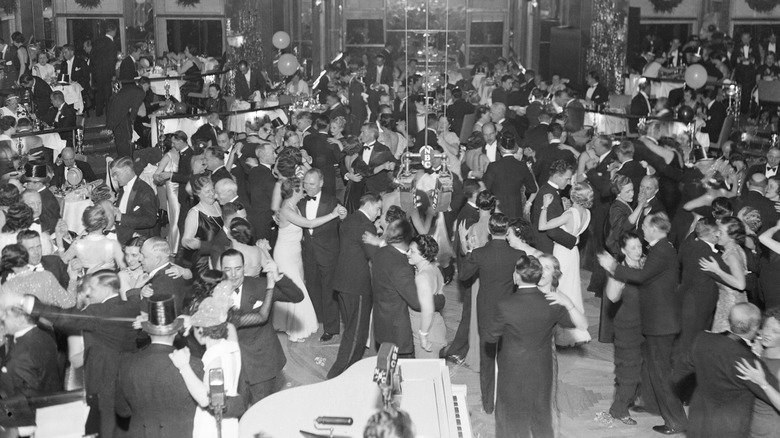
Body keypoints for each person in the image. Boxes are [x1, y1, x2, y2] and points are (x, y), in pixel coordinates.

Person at [4, 270, 140, 438]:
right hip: (126, 377)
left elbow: (65, 318)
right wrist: (135, 290)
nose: (89, 293)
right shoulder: (130, 306)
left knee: (104, 428)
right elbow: (136, 301)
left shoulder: (99, 311)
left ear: (106, 288)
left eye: (93, 288)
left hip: (103, 380)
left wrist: (28, 303)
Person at [599, 212, 688, 435]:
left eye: (646, 226)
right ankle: (649, 408)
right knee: (647, 370)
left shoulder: (659, 251)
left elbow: (641, 277)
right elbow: (615, 295)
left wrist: (612, 266)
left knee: (660, 373)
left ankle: (675, 421)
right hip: (645, 325)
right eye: (633, 247)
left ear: (655, 229)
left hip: (659, 325)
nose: (644, 230)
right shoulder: (661, 250)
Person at [484, 255, 586, 438]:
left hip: (512, 371)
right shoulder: (552, 303)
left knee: (510, 417)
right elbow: (582, 325)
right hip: (542, 369)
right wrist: (569, 304)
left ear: (516, 276)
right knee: (541, 417)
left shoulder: (505, 305)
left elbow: (490, 338)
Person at [674, 303, 778, 438]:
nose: (765, 333)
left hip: (698, 422)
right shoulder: (751, 362)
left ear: (729, 320)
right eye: (766, 327)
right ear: (754, 327)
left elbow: (679, 371)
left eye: (775, 331)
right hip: (729, 429)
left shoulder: (703, 339)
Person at [460, 213, 525, 414]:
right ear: (507, 232)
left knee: (487, 357)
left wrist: (469, 249)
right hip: (510, 310)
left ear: (489, 230)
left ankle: (488, 404)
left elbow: (463, 275)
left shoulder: (479, 253)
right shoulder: (518, 255)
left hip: (486, 309)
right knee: (508, 356)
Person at [219, 249, 303, 404]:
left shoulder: (259, 285)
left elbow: (297, 296)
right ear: (220, 269)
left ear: (244, 267)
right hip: (231, 365)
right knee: (237, 412)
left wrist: (278, 278)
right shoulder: (213, 292)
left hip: (262, 363)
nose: (234, 275)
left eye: (238, 268)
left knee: (262, 411)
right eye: (227, 269)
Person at [115, 294, 201, 438]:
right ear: (175, 331)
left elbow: (123, 410)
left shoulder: (125, 363)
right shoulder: (193, 364)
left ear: (148, 331)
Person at [275, 176, 343, 342]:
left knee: (297, 290)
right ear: (295, 191)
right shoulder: (287, 210)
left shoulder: (294, 205)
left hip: (297, 254)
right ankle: (295, 331)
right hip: (285, 256)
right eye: (302, 187)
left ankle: (291, 326)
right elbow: (309, 224)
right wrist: (333, 214)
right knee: (297, 292)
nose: (304, 190)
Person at [170, 290, 242, 438]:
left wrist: (184, 367)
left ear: (201, 330)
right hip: (231, 422)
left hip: (213, 427)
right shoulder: (231, 344)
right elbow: (228, 325)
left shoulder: (214, 358)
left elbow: (208, 399)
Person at [328, 193, 383, 378]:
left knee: (351, 329)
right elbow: (374, 255)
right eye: (377, 209)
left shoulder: (349, 219)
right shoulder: (366, 225)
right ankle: (338, 375)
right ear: (368, 205)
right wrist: (383, 242)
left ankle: (347, 372)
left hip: (343, 282)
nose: (378, 214)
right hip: (357, 286)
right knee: (357, 334)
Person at [537, 182, 593, 346]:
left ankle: (562, 333)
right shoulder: (587, 213)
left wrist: (544, 207)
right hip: (573, 253)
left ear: (573, 195)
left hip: (561, 252)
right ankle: (575, 330)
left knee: (560, 288)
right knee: (572, 287)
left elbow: (542, 226)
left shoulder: (569, 214)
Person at [298, 169, 346, 341]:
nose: (307, 187)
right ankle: (316, 321)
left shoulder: (332, 201)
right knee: (312, 288)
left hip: (329, 253)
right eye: (305, 183)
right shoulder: (300, 202)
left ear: (321, 183)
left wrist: (343, 216)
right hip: (309, 253)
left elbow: (343, 223)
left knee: (329, 292)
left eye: (312, 184)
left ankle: (331, 328)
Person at [604, 231, 645, 425]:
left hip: (646, 327)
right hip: (627, 329)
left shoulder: (646, 265)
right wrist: (617, 276)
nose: (638, 251)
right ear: (623, 250)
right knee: (629, 372)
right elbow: (612, 297)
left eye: (639, 246)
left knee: (640, 369)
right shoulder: (620, 271)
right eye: (632, 248)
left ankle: (631, 399)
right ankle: (618, 410)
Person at [702, 216, 748, 333]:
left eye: (721, 232)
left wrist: (717, 270)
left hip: (730, 306)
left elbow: (740, 284)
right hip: (732, 303)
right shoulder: (735, 248)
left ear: (731, 237)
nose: (717, 234)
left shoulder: (732, 255)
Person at [406, 234, 447, 359]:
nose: (408, 253)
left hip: (427, 334)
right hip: (437, 328)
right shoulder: (435, 269)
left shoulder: (422, 277)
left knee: (425, 375)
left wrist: (423, 336)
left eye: (412, 251)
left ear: (423, 255)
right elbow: (440, 296)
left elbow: (428, 310)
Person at [483, 133, 537, 219]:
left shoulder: (493, 167)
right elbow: (533, 188)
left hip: (498, 212)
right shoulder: (522, 166)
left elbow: (485, 189)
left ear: (500, 149)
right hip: (516, 211)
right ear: (515, 149)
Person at [61, 205, 126, 274]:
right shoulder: (112, 244)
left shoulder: (78, 244)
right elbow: (124, 269)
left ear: (85, 224)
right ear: (104, 224)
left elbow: (61, 263)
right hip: (108, 282)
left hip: (85, 282)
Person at [531, 159, 577, 254]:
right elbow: (552, 231)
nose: (569, 182)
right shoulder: (550, 194)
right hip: (547, 245)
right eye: (567, 179)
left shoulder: (550, 189)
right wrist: (573, 240)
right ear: (556, 177)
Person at [180, 175, 223, 277]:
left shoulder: (217, 204)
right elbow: (184, 240)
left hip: (220, 257)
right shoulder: (194, 213)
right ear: (198, 194)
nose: (212, 194)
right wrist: (195, 243)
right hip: (205, 264)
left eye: (213, 189)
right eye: (207, 192)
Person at [136, 237, 192, 312]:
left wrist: (135, 290)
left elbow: (139, 312)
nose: (139, 259)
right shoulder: (168, 272)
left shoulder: (164, 279)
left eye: (144, 256)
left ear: (157, 259)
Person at [110, 157, 159, 243]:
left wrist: (121, 218)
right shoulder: (123, 188)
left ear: (128, 170)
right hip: (122, 235)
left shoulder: (145, 191)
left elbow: (150, 220)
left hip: (137, 239)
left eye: (116, 174)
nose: (114, 178)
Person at [154, 131, 187, 252]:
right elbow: (156, 174)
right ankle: (174, 248)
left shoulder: (182, 155)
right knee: (175, 217)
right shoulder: (167, 157)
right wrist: (163, 178)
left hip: (182, 189)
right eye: (174, 142)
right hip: (172, 190)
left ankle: (178, 243)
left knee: (182, 217)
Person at [247, 143, 277, 240]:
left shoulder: (254, 171)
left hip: (256, 219)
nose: (275, 155)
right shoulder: (267, 175)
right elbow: (275, 199)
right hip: (267, 221)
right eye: (273, 153)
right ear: (263, 156)